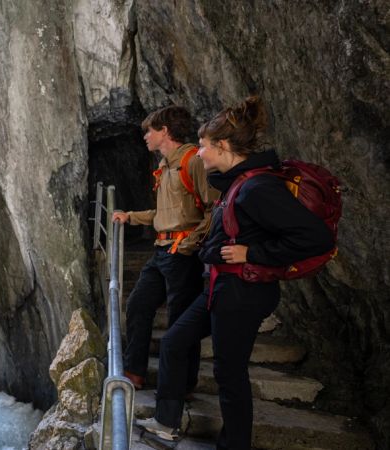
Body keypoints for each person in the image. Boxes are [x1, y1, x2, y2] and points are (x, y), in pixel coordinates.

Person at [135, 96, 334, 449]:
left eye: (203, 146)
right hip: (221, 287)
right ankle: (167, 420)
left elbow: (315, 238)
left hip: (242, 293)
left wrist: (252, 252)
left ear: (223, 146)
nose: (198, 154)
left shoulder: (258, 187)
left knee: (230, 375)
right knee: (175, 342)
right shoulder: (239, 183)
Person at [113, 105, 218, 391]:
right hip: (162, 251)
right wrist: (131, 217)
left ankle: (182, 386)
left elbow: (215, 208)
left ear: (164, 131)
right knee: (138, 304)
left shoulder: (192, 161)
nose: (145, 136)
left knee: (180, 321)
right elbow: (163, 214)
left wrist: (189, 243)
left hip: (182, 254)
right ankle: (135, 372)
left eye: (149, 131)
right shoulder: (164, 165)